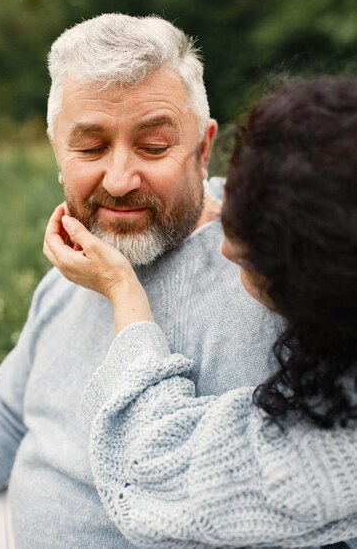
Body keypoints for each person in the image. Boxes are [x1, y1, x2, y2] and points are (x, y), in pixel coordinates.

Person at [0, 13, 345, 549]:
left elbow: (197, 492)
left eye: (153, 147)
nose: (120, 179)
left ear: (203, 149)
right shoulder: (78, 258)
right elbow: (8, 414)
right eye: (89, 148)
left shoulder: (278, 276)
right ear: (56, 153)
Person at [43, 77, 357, 548]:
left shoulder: (332, 453)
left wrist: (122, 292)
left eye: (251, 256)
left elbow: (159, 469)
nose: (223, 248)